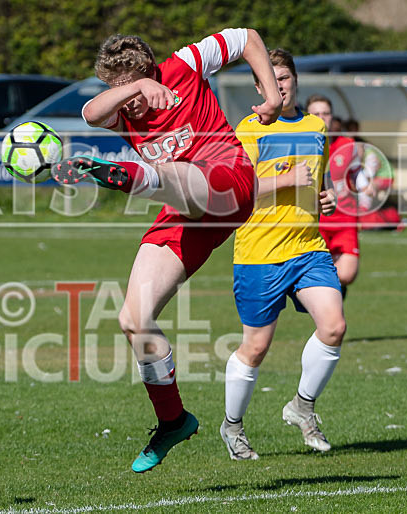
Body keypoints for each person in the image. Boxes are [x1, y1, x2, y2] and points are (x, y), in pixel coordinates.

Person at [50, 28, 282, 473]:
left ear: (151, 69)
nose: (125, 101)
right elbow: (88, 113)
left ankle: (128, 178)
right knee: (133, 320)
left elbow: (248, 37)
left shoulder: (186, 65)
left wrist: (271, 96)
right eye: (116, 90)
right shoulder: (124, 104)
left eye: (131, 86)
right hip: (181, 209)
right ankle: (173, 419)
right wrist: (133, 89)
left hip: (227, 182)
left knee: (175, 172)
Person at [222, 49, 342, 461]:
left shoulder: (314, 126)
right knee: (255, 348)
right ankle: (233, 427)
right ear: (260, 88)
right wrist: (290, 178)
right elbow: (238, 192)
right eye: (270, 79)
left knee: (334, 326)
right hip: (260, 251)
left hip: (308, 246)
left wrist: (326, 197)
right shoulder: (249, 129)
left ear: (294, 81)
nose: (280, 85)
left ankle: (302, 407)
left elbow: (316, 184)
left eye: (286, 77)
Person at [306, 95, 359, 298]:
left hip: (344, 219)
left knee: (346, 274)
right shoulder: (302, 145)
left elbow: (359, 176)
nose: (322, 117)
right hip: (314, 221)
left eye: (326, 113)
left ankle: (330, 295)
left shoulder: (348, 145)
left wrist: (366, 185)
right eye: (316, 113)